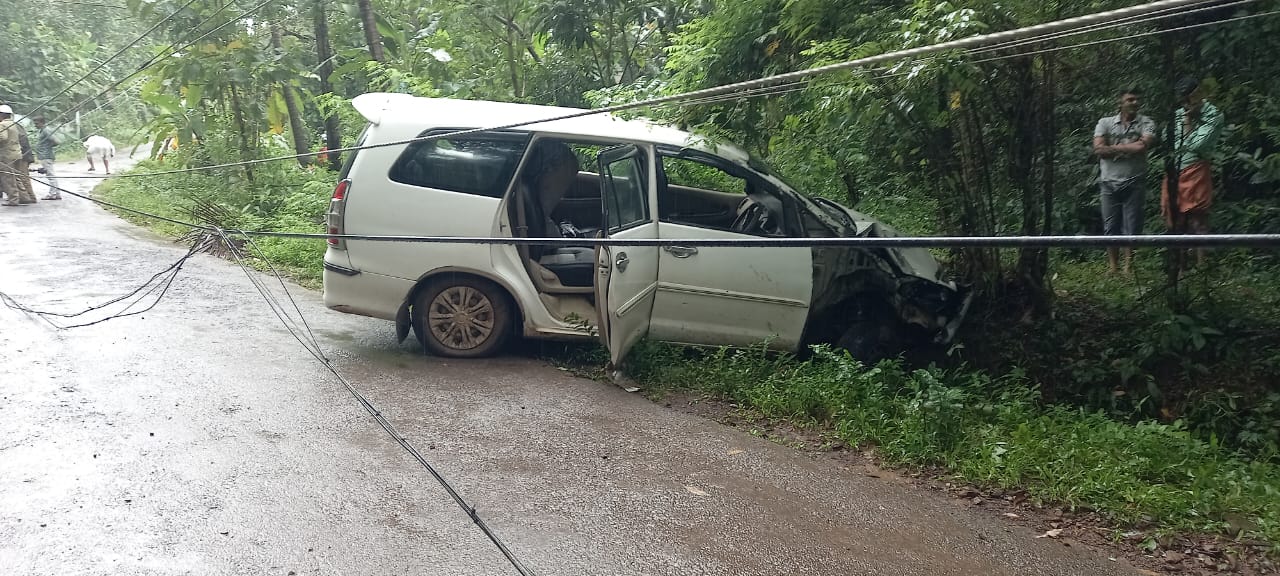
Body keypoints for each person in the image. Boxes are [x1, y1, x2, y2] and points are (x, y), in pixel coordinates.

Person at [1161, 77, 1224, 268]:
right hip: (1174, 171)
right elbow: (1167, 139)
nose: (1191, 101)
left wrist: (1189, 121)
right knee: (1175, 219)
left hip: (1196, 168)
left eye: (1194, 95)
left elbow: (1198, 145)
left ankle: (1201, 266)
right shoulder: (1177, 114)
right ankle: (1180, 267)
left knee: (1198, 218)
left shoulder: (1213, 114)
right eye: (1187, 98)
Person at [1093, 86, 1156, 274]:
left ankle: (1129, 267)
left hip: (1134, 180)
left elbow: (1143, 147)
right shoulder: (1105, 123)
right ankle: (1113, 267)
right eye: (1130, 99)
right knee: (1110, 226)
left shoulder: (1146, 122)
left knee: (1133, 225)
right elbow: (1098, 150)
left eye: (1137, 99)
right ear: (1120, 103)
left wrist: (1113, 148)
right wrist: (1129, 147)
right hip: (1108, 182)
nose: (1135, 103)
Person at [518, 140, 581, 260]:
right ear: (548, 171)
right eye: (563, 182)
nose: (563, 193)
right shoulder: (530, 201)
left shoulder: (534, 195)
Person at [0, 104, 37, 206]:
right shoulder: (14, 124)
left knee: (8, 178)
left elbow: (2, 137)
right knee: (17, 177)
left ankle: (13, 199)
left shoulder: (2, 125)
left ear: (1, 115)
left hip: (6, 155)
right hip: (17, 153)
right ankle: (24, 197)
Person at [32, 116, 61, 199]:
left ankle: (53, 194)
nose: (35, 125)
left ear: (42, 123)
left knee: (50, 175)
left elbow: (56, 141)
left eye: (37, 123)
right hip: (43, 155)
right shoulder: (42, 131)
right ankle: (57, 193)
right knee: (50, 175)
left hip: (46, 156)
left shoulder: (46, 131)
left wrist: (48, 146)